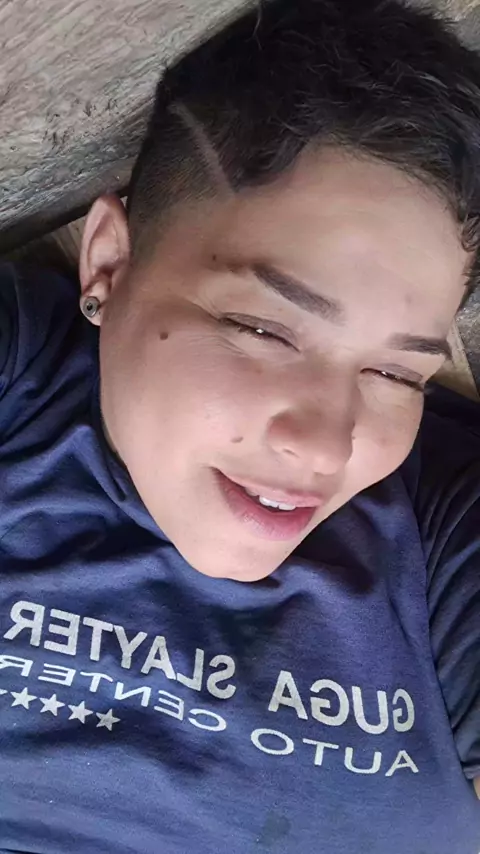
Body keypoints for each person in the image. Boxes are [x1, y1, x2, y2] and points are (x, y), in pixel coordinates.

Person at [0, 0, 479, 850]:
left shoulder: (444, 528)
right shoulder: (20, 390)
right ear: (110, 260)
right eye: (263, 329)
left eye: (396, 373)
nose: (326, 447)